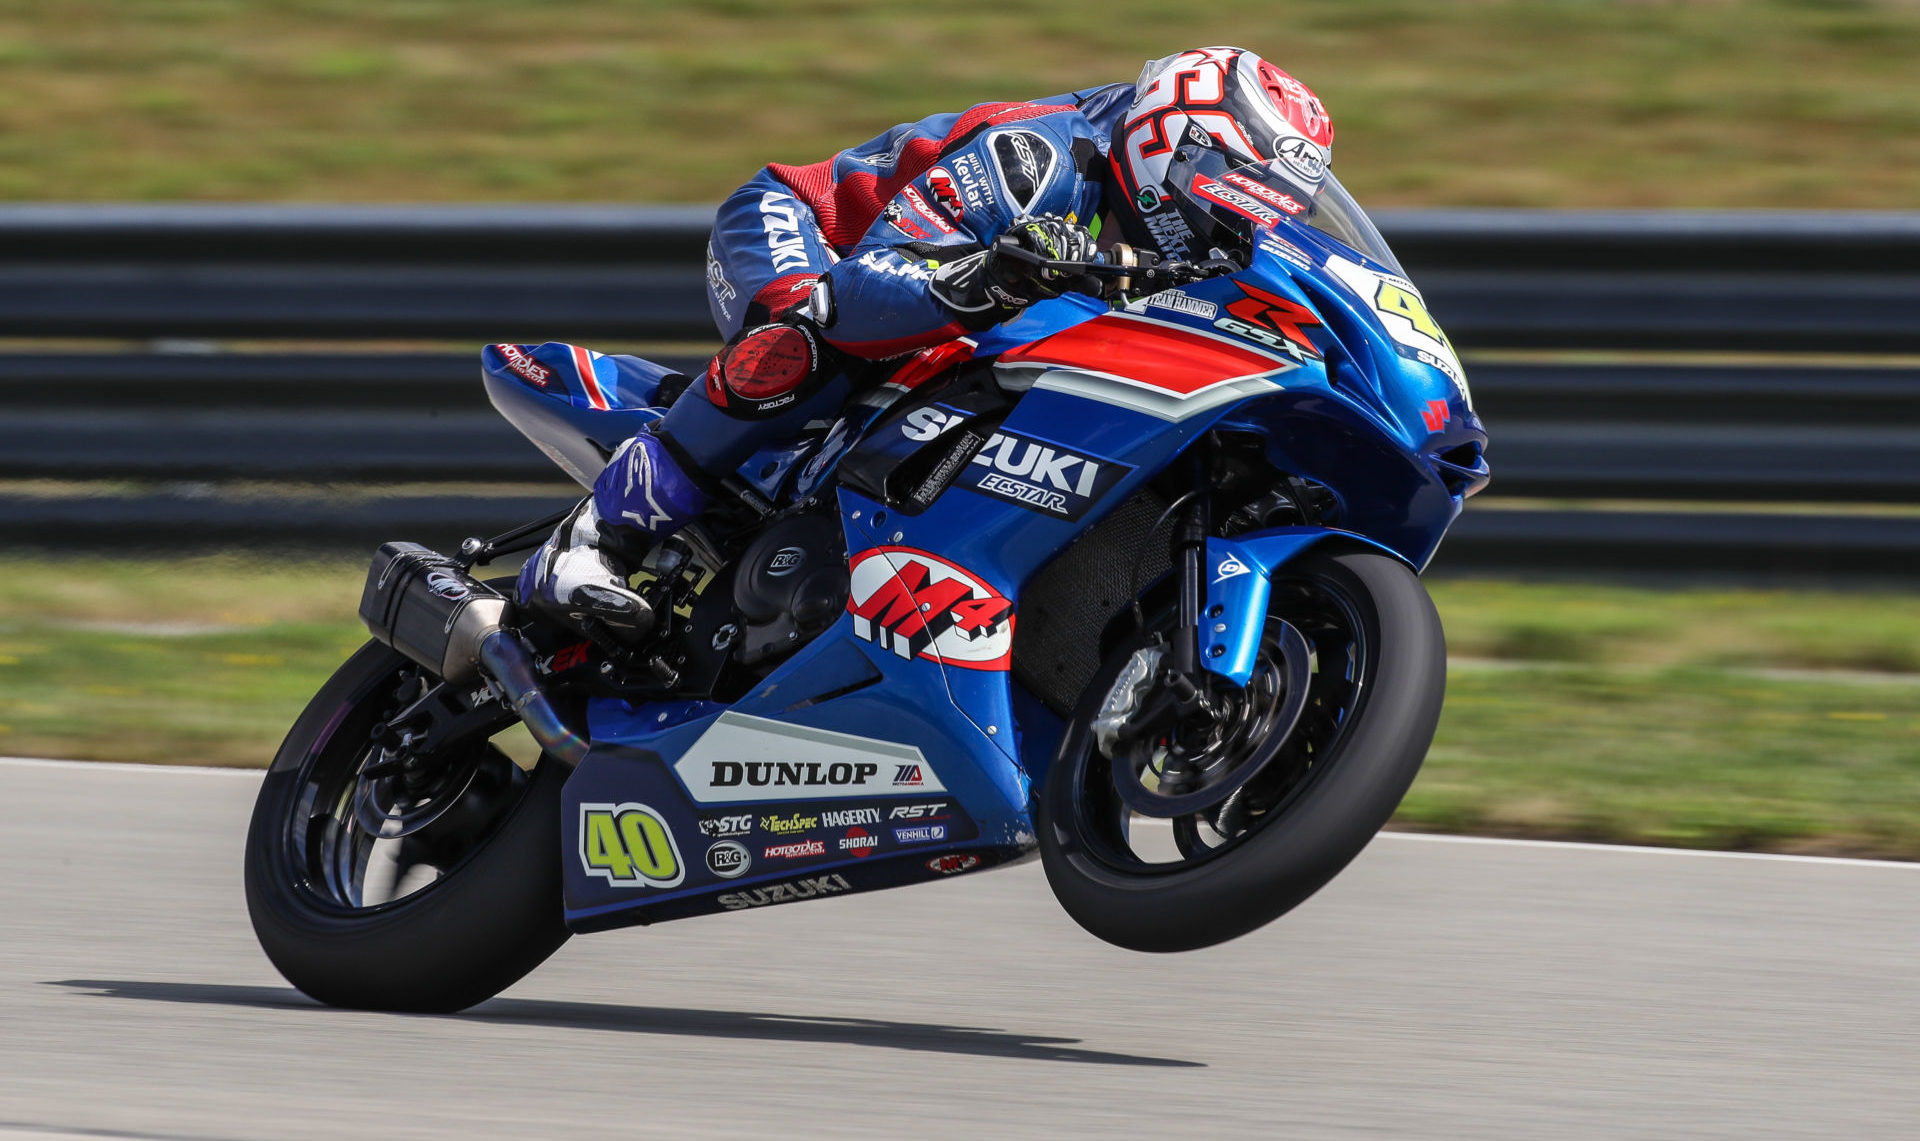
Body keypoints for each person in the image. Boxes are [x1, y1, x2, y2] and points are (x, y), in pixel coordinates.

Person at [517, 45, 1337, 641]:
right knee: (810, 333)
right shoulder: (1037, 157)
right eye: (1234, 190)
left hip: (932, 295)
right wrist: (983, 281)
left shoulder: (1194, 248)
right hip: (811, 231)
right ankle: (596, 542)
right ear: (1169, 146)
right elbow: (870, 286)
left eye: (1269, 207)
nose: (1244, 220)